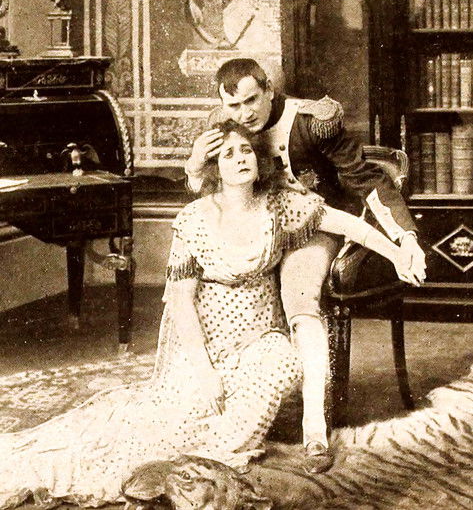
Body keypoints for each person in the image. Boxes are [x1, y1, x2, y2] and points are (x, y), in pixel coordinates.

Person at [0, 121, 421, 508]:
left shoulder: (280, 204)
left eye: (246, 150)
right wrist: (204, 371)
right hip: (206, 342)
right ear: (215, 169)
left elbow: (349, 224)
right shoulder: (195, 219)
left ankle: (207, 461)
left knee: (277, 371)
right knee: (168, 428)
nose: (240, 159)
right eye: (228, 154)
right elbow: (182, 302)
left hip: (260, 338)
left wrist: (398, 252)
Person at [185, 58, 426, 471]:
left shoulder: (312, 122)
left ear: (269, 90)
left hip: (312, 225)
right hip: (255, 224)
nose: (244, 114)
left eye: (251, 100)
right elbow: (207, 188)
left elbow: (366, 180)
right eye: (234, 106)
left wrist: (405, 239)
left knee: (300, 303)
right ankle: (232, 406)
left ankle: (314, 430)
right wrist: (193, 164)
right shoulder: (222, 126)